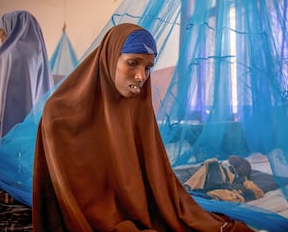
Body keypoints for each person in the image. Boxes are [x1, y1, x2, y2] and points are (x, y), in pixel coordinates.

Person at [32, 23, 253, 231]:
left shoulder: (136, 106)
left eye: (148, 67)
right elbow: (67, 197)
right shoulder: (60, 115)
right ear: (109, 58)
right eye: (132, 63)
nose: (141, 77)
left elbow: (152, 173)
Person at [0, 10, 54, 143]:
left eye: (2, 34)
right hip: (32, 123)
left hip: (9, 125)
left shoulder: (11, 54)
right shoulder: (38, 53)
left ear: (13, 29)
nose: (1, 39)